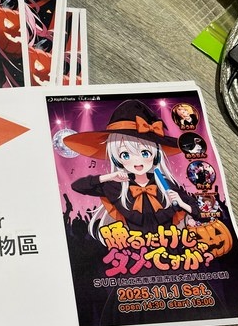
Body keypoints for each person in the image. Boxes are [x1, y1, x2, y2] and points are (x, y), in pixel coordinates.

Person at [64, 99, 200, 244]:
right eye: (125, 155)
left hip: (170, 248)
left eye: (145, 153)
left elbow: (197, 211)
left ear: (156, 154)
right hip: (134, 250)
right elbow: (78, 186)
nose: (137, 161)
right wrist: (109, 176)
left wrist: (181, 203)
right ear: (117, 158)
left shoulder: (165, 184)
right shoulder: (116, 186)